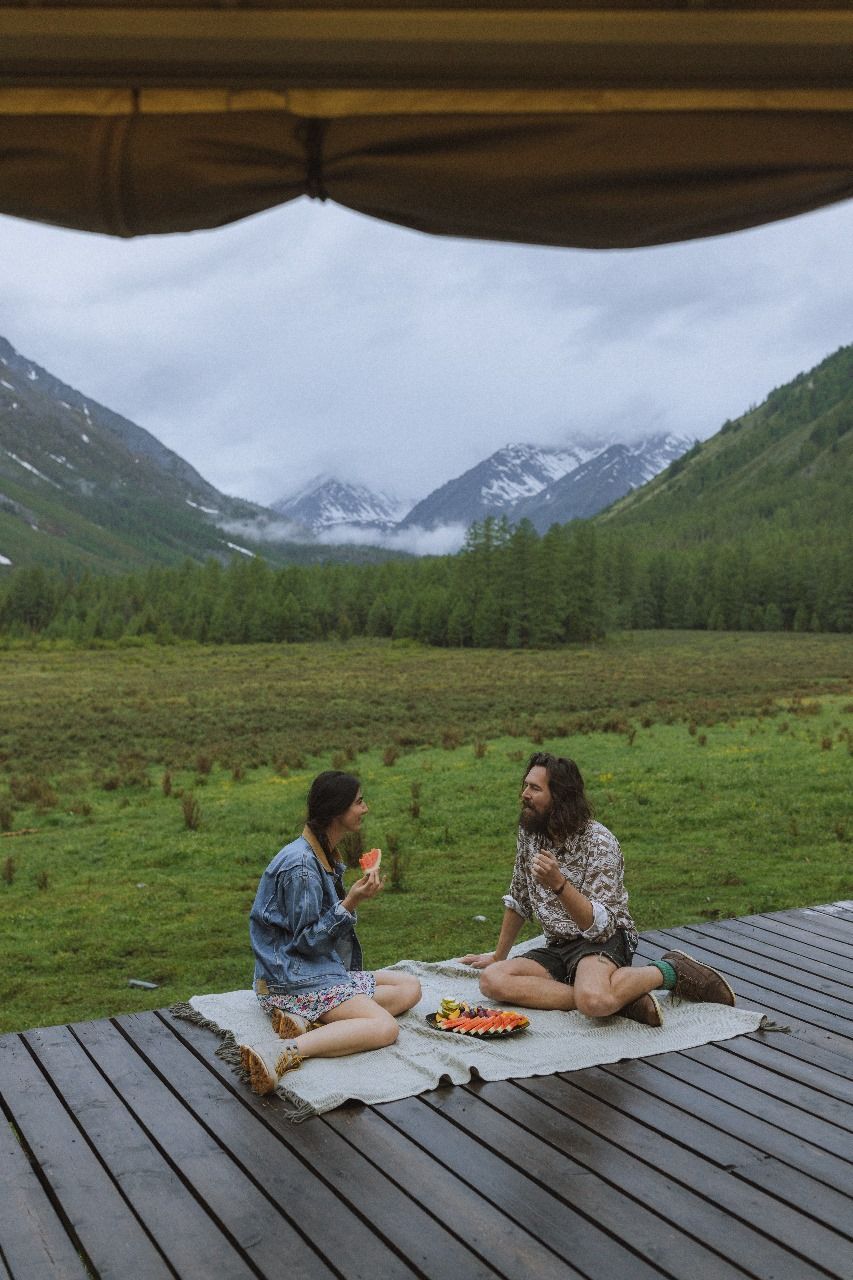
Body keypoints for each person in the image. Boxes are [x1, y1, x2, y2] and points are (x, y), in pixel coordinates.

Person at [461, 752, 735, 1026]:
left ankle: (670, 970)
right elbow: (520, 896)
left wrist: (559, 885)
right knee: (493, 979)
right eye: (526, 785)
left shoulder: (599, 843)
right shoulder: (531, 833)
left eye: (535, 788)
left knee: (594, 1002)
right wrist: (498, 956)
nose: (525, 794)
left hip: (603, 941)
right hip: (558, 945)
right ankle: (621, 997)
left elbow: (600, 928)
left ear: (560, 796)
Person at [241, 770, 421, 1093]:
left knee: (410, 988)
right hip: (291, 980)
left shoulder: (320, 853)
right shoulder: (301, 867)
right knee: (384, 1026)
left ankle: (306, 1023)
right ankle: (285, 1051)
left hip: (316, 973)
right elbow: (306, 942)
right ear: (338, 811)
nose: (365, 809)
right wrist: (350, 902)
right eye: (359, 802)